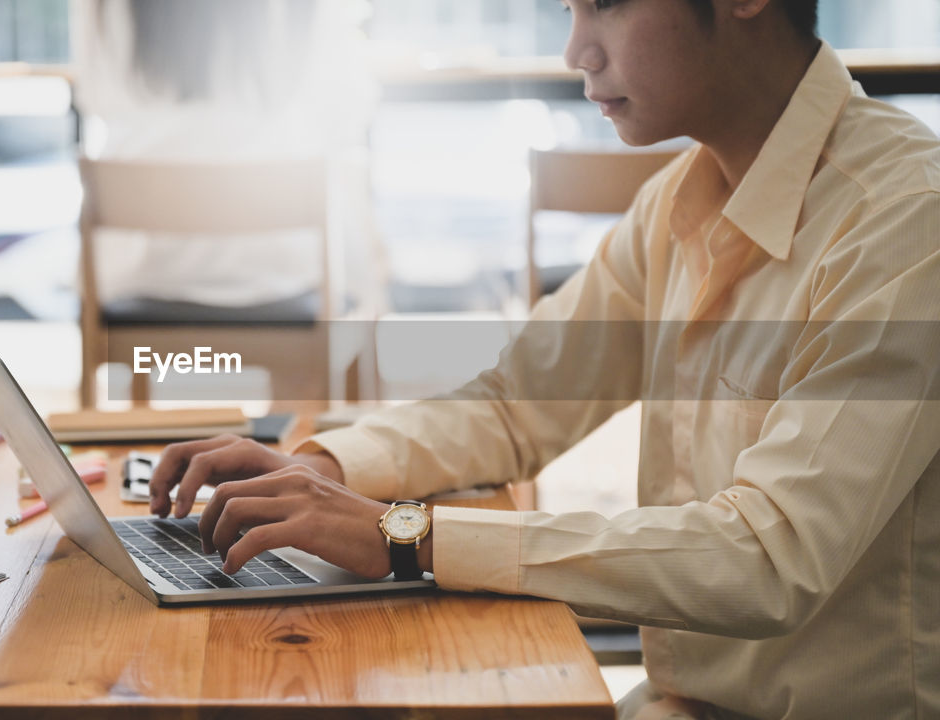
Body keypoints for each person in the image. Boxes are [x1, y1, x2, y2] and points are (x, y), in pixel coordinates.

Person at [142, 0, 940, 718]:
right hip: (677, 700)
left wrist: (406, 536)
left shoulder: (906, 221)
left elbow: (772, 556)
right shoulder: (680, 198)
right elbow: (518, 399)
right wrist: (315, 469)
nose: (575, 51)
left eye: (607, 6)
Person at [70, 0, 376, 309]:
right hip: (287, 269)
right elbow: (346, 109)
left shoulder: (105, 7)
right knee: (363, 248)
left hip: (141, 270)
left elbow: (95, 98)